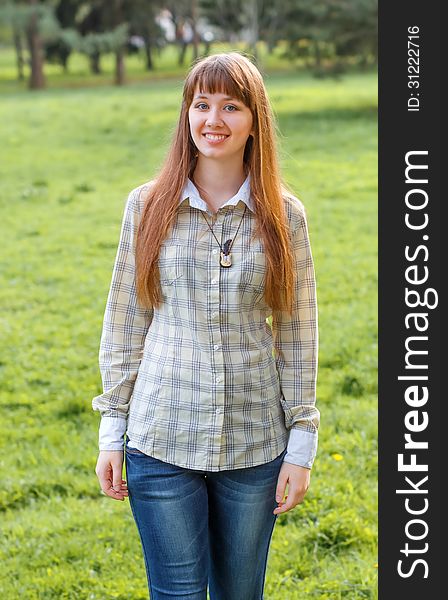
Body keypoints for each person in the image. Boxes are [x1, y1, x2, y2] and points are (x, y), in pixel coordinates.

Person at [93, 52, 319, 600]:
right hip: (161, 435)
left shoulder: (284, 216)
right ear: (186, 114)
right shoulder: (147, 206)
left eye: (231, 106)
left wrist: (302, 443)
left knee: (241, 594)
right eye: (201, 104)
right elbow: (126, 318)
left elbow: (298, 331)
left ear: (254, 120)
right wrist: (111, 432)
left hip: (254, 440)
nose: (213, 119)